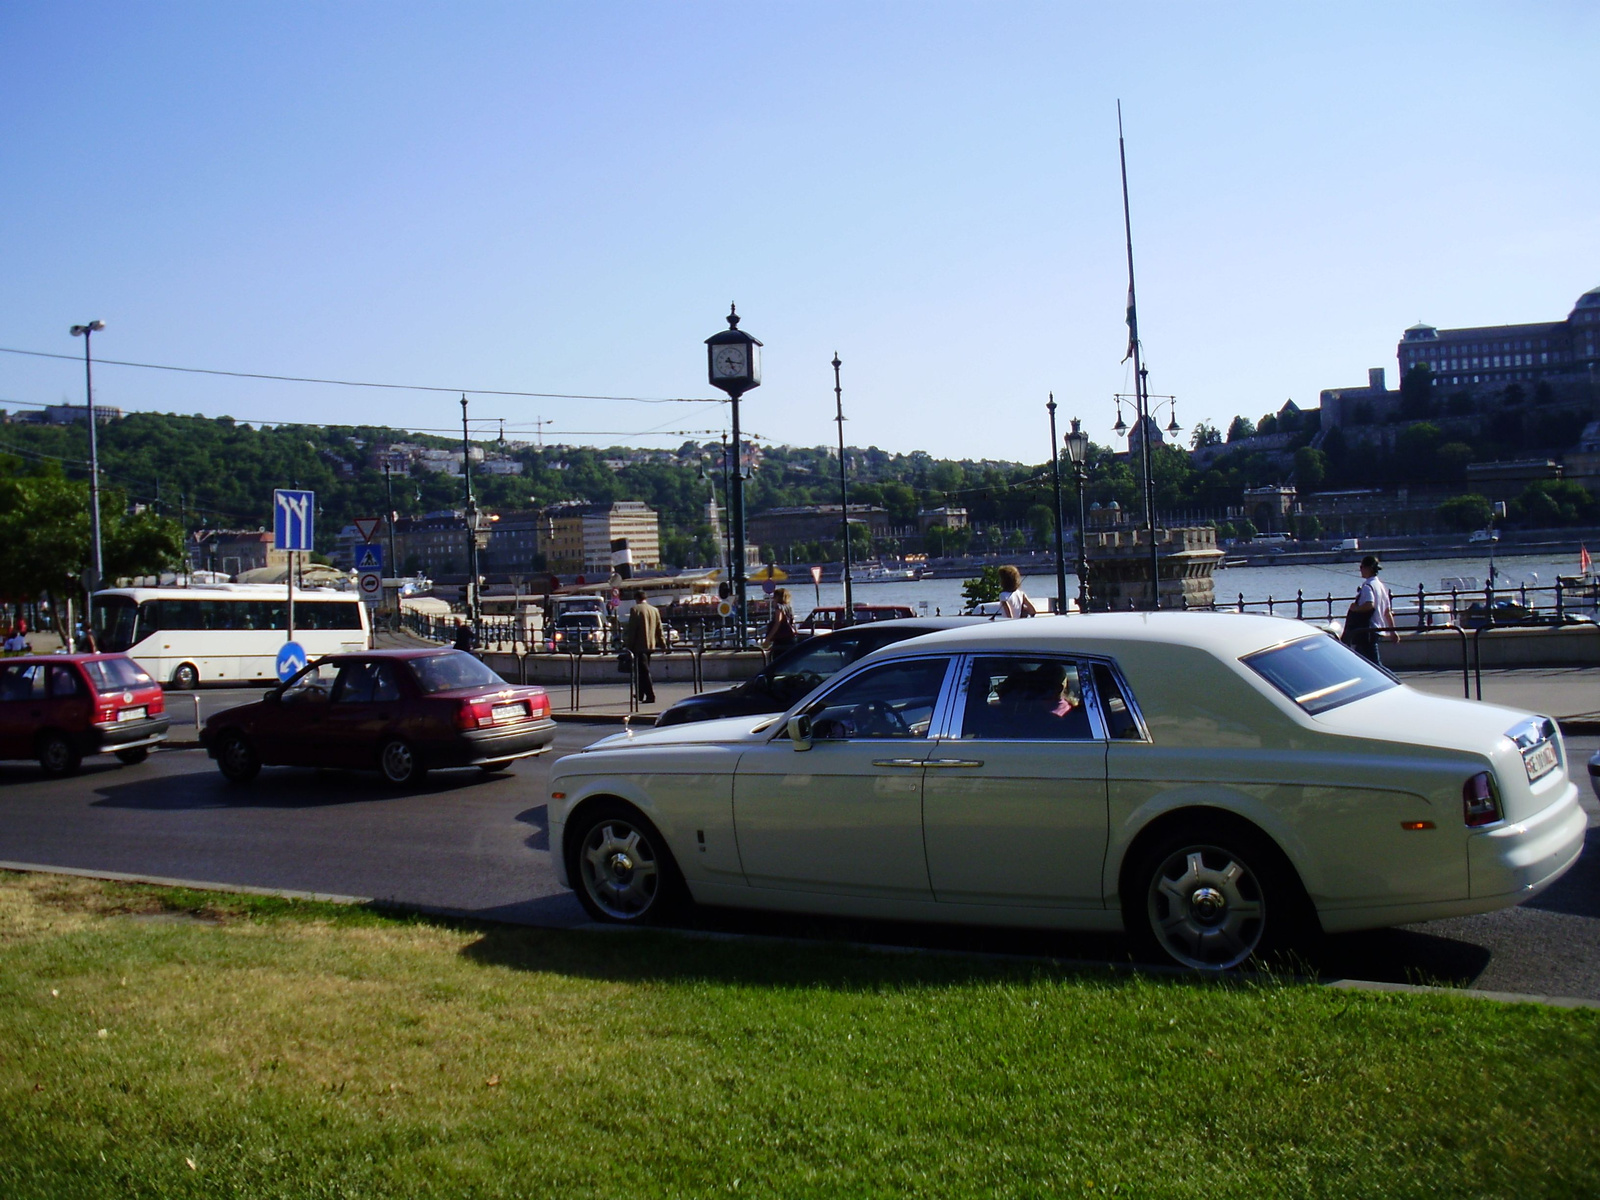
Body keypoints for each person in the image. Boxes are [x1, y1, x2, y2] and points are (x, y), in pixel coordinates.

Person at [1345, 554, 1395, 665]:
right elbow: (1387, 611)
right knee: (1361, 664)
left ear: (1369, 568)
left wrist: (1356, 608)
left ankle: (1393, 681)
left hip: (1368, 631)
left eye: (1361, 567)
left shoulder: (1368, 586)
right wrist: (1393, 631)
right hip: (1379, 630)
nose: (1360, 570)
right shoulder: (1381, 586)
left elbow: (1369, 605)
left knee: (1375, 666)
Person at [624, 588, 665, 704]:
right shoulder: (654, 610)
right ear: (645, 598)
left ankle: (650, 695)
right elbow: (659, 629)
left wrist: (629, 646)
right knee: (643, 669)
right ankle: (640, 694)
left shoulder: (635, 609)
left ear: (636, 599)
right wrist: (663, 645)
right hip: (651, 645)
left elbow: (632, 630)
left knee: (643, 671)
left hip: (639, 646)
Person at [763, 587, 798, 651]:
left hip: (781, 638)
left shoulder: (779, 607)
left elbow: (777, 622)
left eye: (774, 597)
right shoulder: (789, 607)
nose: (773, 599)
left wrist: (768, 638)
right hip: (791, 636)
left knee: (778, 657)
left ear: (778, 597)